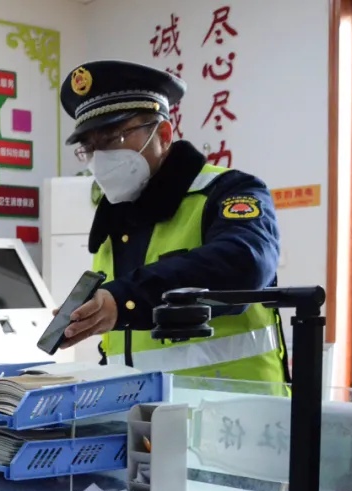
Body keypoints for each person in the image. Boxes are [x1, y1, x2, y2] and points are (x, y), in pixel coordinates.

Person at [59, 60, 287, 383]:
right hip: (143, 411)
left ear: (164, 135)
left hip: (238, 408)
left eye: (112, 139)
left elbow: (244, 263)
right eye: (90, 148)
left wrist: (123, 299)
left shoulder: (228, 192)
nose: (100, 159)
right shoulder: (114, 221)